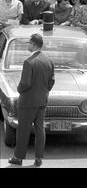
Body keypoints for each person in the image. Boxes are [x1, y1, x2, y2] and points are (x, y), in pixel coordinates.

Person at [8, 33, 55, 167]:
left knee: (23, 130)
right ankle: (39, 158)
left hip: (28, 102)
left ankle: (18, 157)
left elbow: (25, 83)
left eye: (29, 43)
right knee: (40, 130)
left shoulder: (29, 62)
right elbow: (51, 81)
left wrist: (18, 89)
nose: (27, 45)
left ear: (34, 44)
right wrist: (43, 93)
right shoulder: (48, 61)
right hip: (42, 101)